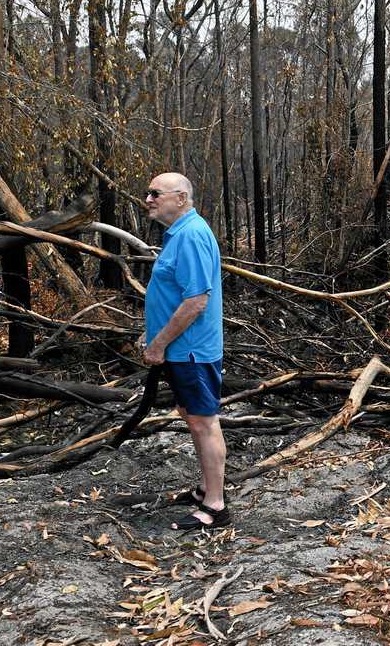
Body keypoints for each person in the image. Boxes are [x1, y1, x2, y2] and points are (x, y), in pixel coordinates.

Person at [141, 172, 230, 530]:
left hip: (191, 351)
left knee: (202, 422)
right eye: (147, 193)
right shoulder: (180, 234)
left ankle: (216, 506)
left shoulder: (191, 235)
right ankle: (207, 490)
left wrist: (158, 343)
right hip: (182, 350)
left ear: (180, 198)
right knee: (194, 418)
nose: (148, 199)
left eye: (155, 193)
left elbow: (195, 302)